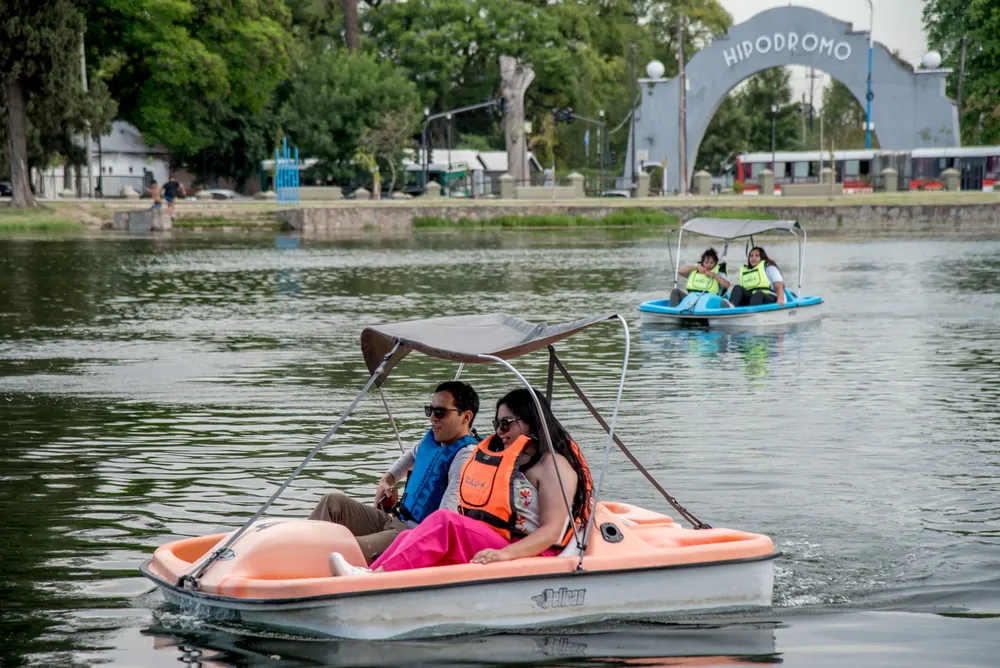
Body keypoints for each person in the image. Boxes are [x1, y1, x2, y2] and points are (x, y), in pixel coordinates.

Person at [329, 388, 592, 576]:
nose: (499, 431)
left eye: (506, 423)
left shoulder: (553, 467)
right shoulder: (513, 461)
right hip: (502, 539)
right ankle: (372, 572)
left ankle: (376, 578)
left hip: (532, 552)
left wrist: (505, 555)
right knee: (415, 532)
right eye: (496, 423)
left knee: (444, 521)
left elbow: (551, 531)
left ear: (533, 423)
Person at [309, 381, 480, 564]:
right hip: (393, 520)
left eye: (440, 412)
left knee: (345, 548)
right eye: (430, 411)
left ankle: (306, 567)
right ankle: (298, 546)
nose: (432, 418)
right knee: (332, 502)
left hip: (411, 536)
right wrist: (387, 479)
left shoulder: (466, 456)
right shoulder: (435, 440)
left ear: (466, 417)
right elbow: (410, 458)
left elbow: (444, 519)